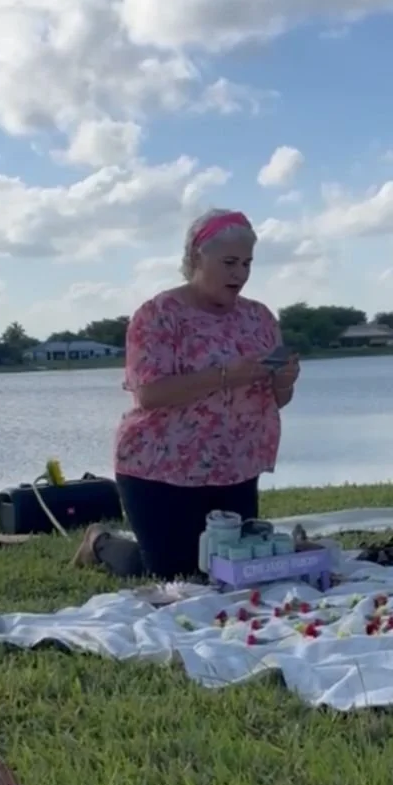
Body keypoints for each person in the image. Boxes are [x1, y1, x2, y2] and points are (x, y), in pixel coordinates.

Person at [113, 207, 299, 580]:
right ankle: (102, 543)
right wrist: (228, 375)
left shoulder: (259, 317)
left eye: (247, 263)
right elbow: (149, 394)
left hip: (235, 467)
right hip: (161, 468)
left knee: (232, 569)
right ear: (197, 257)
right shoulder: (157, 315)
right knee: (177, 573)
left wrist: (284, 379)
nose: (240, 274)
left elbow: (277, 400)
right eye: (229, 262)